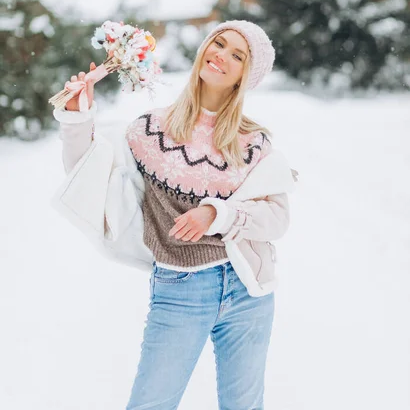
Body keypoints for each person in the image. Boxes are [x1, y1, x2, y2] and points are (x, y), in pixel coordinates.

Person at [53, 20, 296, 410]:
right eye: (219, 44)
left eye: (238, 56)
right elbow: (88, 174)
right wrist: (76, 118)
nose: (222, 56)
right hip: (180, 289)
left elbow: (277, 219)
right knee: (151, 403)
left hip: (248, 288)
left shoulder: (254, 142)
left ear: (244, 78)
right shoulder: (150, 130)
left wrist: (215, 214)